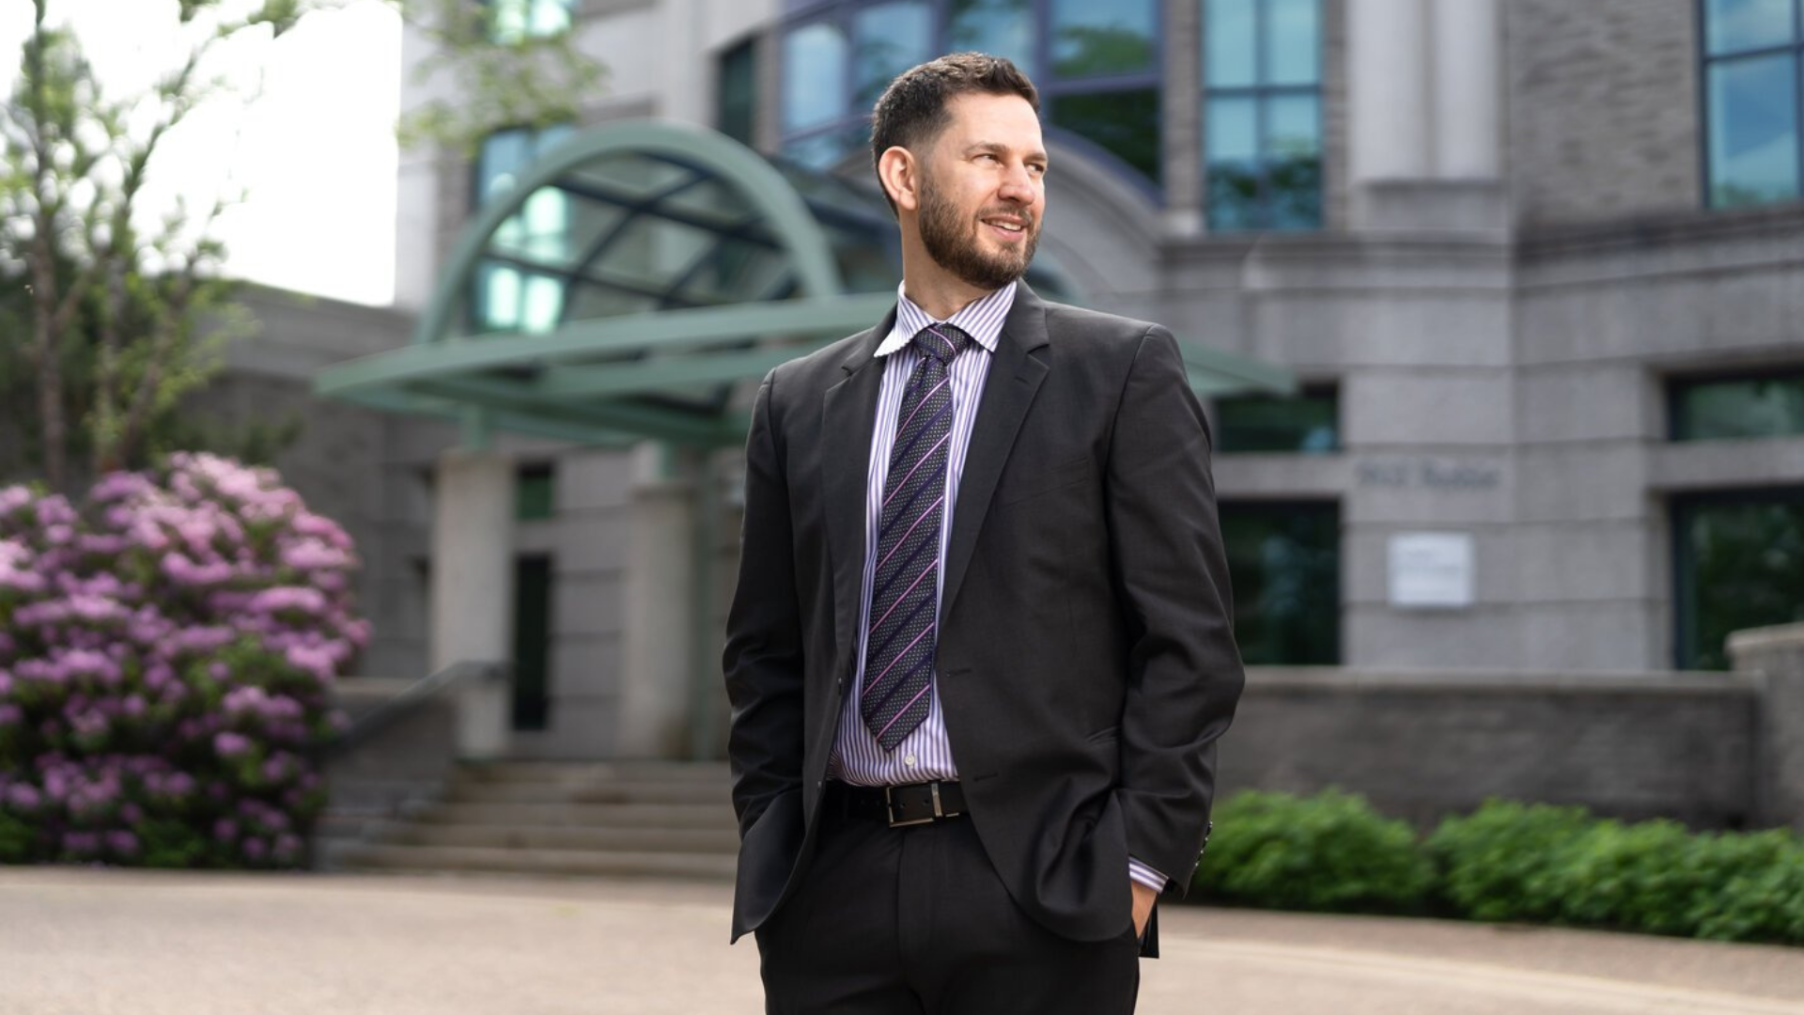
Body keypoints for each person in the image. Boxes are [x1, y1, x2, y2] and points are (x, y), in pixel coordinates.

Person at [722, 51, 1244, 1015]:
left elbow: (1191, 647)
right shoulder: (797, 401)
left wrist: (1132, 872)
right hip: (832, 890)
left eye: (1035, 166)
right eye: (989, 159)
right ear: (904, 176)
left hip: (1043, 892)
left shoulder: (1123, 371)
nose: (1019, 189)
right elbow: (766, 651)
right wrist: (774, 836)